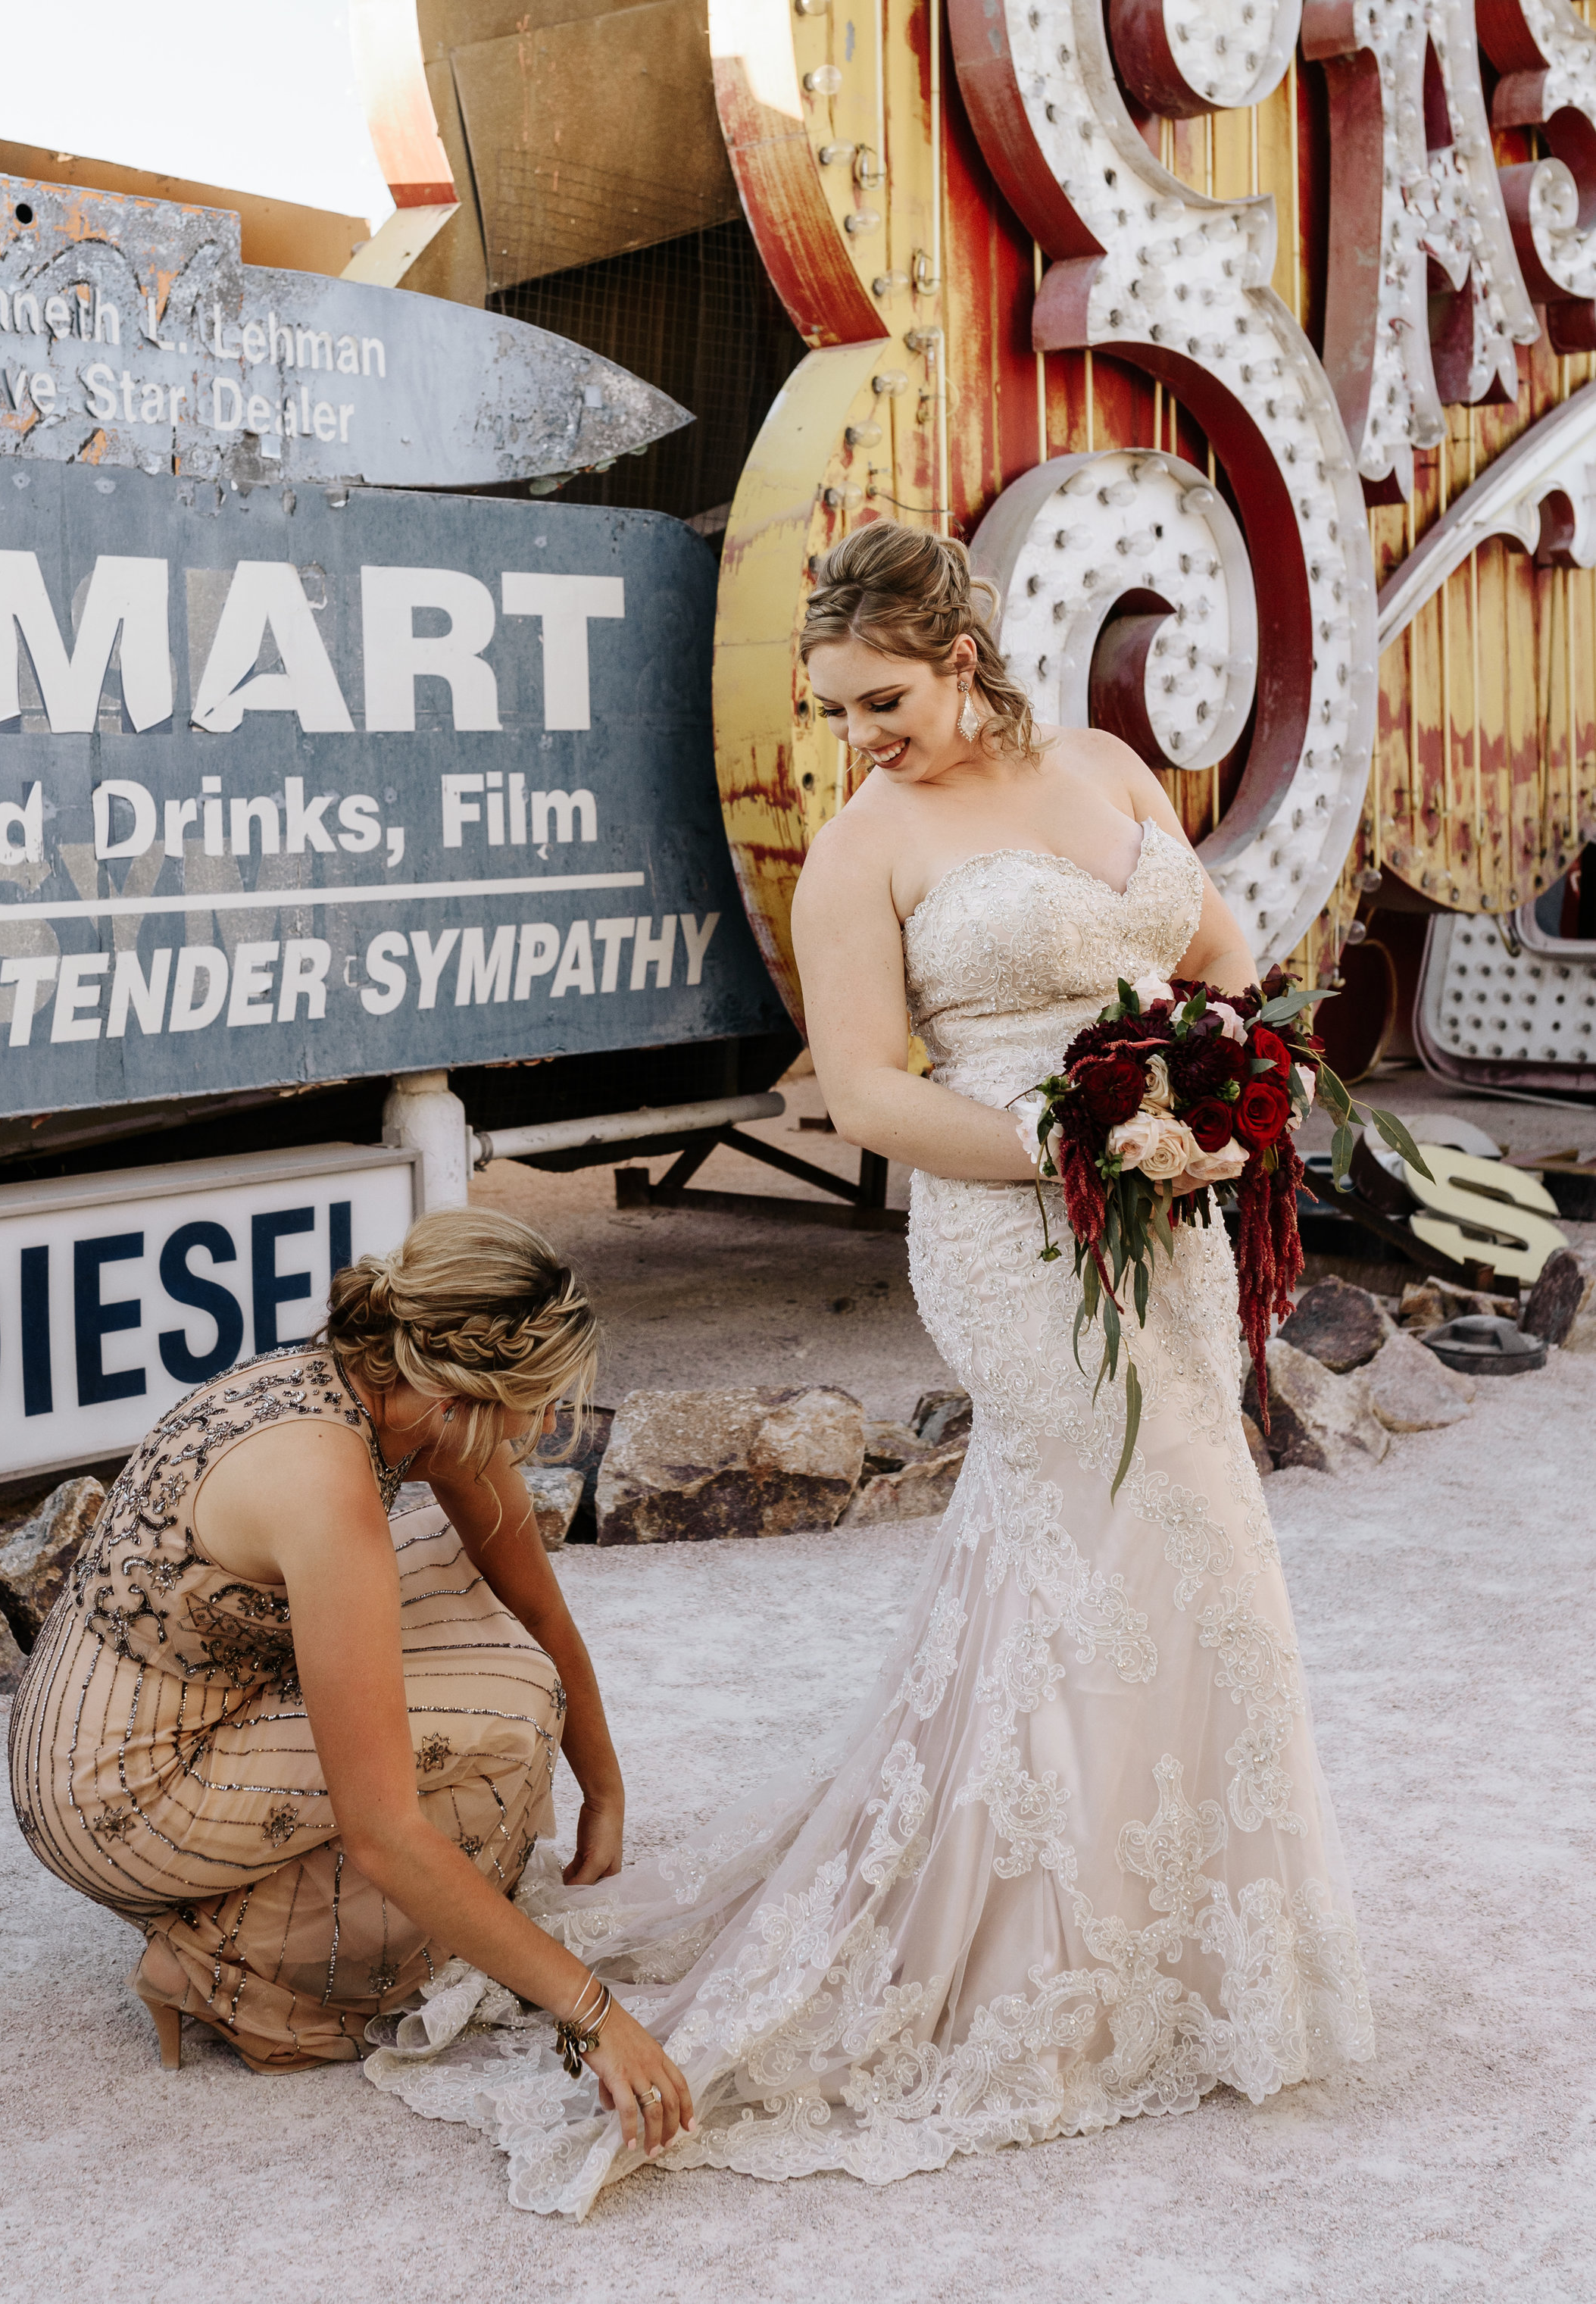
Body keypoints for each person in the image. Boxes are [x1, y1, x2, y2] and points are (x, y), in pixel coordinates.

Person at [364, 517, 1373, 2218]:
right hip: (1011, 1227)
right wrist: (1077, 1151)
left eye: (879, 699)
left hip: (1162, 1222)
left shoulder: (1115, 766)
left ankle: (1195, 1941)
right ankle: (1037, 1962)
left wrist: (1203, 1089)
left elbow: (1212, 960)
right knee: (1095, 1540)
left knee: (1192, 1546)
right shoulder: (858, 851)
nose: (858, 737)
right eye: (836, 709)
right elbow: (863, 1097)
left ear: (963, 655)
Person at [8, 1207, 695, 2156]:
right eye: (540, 1402)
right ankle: (220, 1968)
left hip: (167, 1683)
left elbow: (535, 1603)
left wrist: (606, 1784)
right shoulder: (324, 1484)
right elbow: (383, 1833)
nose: (545, 1428)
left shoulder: (386, 1384)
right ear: (462, 1393)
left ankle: (258, 1906)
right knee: (502, 1727)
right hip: (124, 1788)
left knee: (486, 1613)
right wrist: (591, 2011)